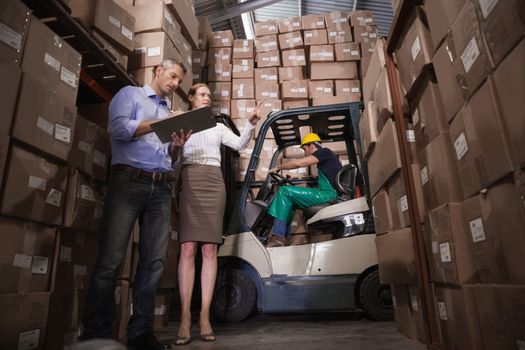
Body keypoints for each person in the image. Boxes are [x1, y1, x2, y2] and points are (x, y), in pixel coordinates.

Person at [80, 59, 191, 350]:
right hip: (129, 182)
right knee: (111, 261)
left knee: (153, 262)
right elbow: (117, 130)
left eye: (179, 81)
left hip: (162, 186)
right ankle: (97, 334)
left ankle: (140, 333)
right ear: (158, 71)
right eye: (173, 76)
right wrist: (162, 122)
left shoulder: (168, 111)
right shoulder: (130, 95)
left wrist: (176, 145)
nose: (175, 83)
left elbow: (170, 157)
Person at [173, 83, 261, 346]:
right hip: (190, 178)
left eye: (209, 96)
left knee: (210, 249)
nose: (206, 99)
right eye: (202, 95)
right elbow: (172, 160)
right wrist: (177, 146)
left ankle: (204, 316)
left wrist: (250, 123)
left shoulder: (217, 127)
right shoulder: (180, 123)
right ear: (190, 99)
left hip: (213, 181)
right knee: (188, 247)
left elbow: (239, 144)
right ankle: (185, 317)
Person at [266, 133, 343, 247]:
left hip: (327, 195)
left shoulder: (324, 152)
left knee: (285, 191)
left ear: (312, 145)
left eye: (305, 149)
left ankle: (277, 237)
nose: (305, 153)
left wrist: (278, 167)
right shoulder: (325, 157)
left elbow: (298, 163)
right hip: (327, 194)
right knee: (291, 203)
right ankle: (282, 238)